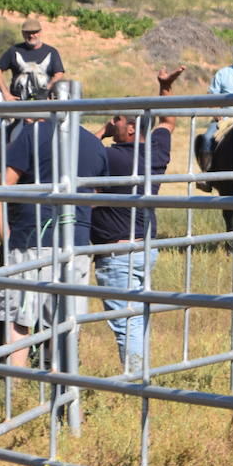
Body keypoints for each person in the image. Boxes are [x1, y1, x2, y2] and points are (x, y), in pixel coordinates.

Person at [0, 102, 110, 368]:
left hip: (30, 240)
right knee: (64, 322)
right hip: (75, 244)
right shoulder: (93, 143)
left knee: (19, 321)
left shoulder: (33, 135)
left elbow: (2, 189)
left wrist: (6, 236)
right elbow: (96, 197)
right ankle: (60, 389)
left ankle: (14, 392)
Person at [92, 66, 184, 375]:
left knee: (124, 323)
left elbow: (79, 153)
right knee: (136, 317)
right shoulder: (156, 151)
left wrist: (100, 134)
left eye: (116, 119)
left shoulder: (107, 156)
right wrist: (165, 88)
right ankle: (140, 371)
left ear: (130, 128)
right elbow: (168, 120)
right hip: (145, 246)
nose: (111, 122)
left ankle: (134, 378)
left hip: (117, 251)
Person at [200, 41, 233, 168]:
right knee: (207, 138)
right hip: (225, 118)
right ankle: (207, 175)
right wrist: (217, 112)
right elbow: (211, 95)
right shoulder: (223, 73)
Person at [0, 17, 66, 103]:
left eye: (34, 32)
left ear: (40, 32)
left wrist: (46, 90)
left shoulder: (51, 52)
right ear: (22, 33)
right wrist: (5, 93)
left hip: (44, 106)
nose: (31, 35)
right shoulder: (14, 51)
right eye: (28, 33)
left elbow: (59, 74)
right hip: (19, 106)